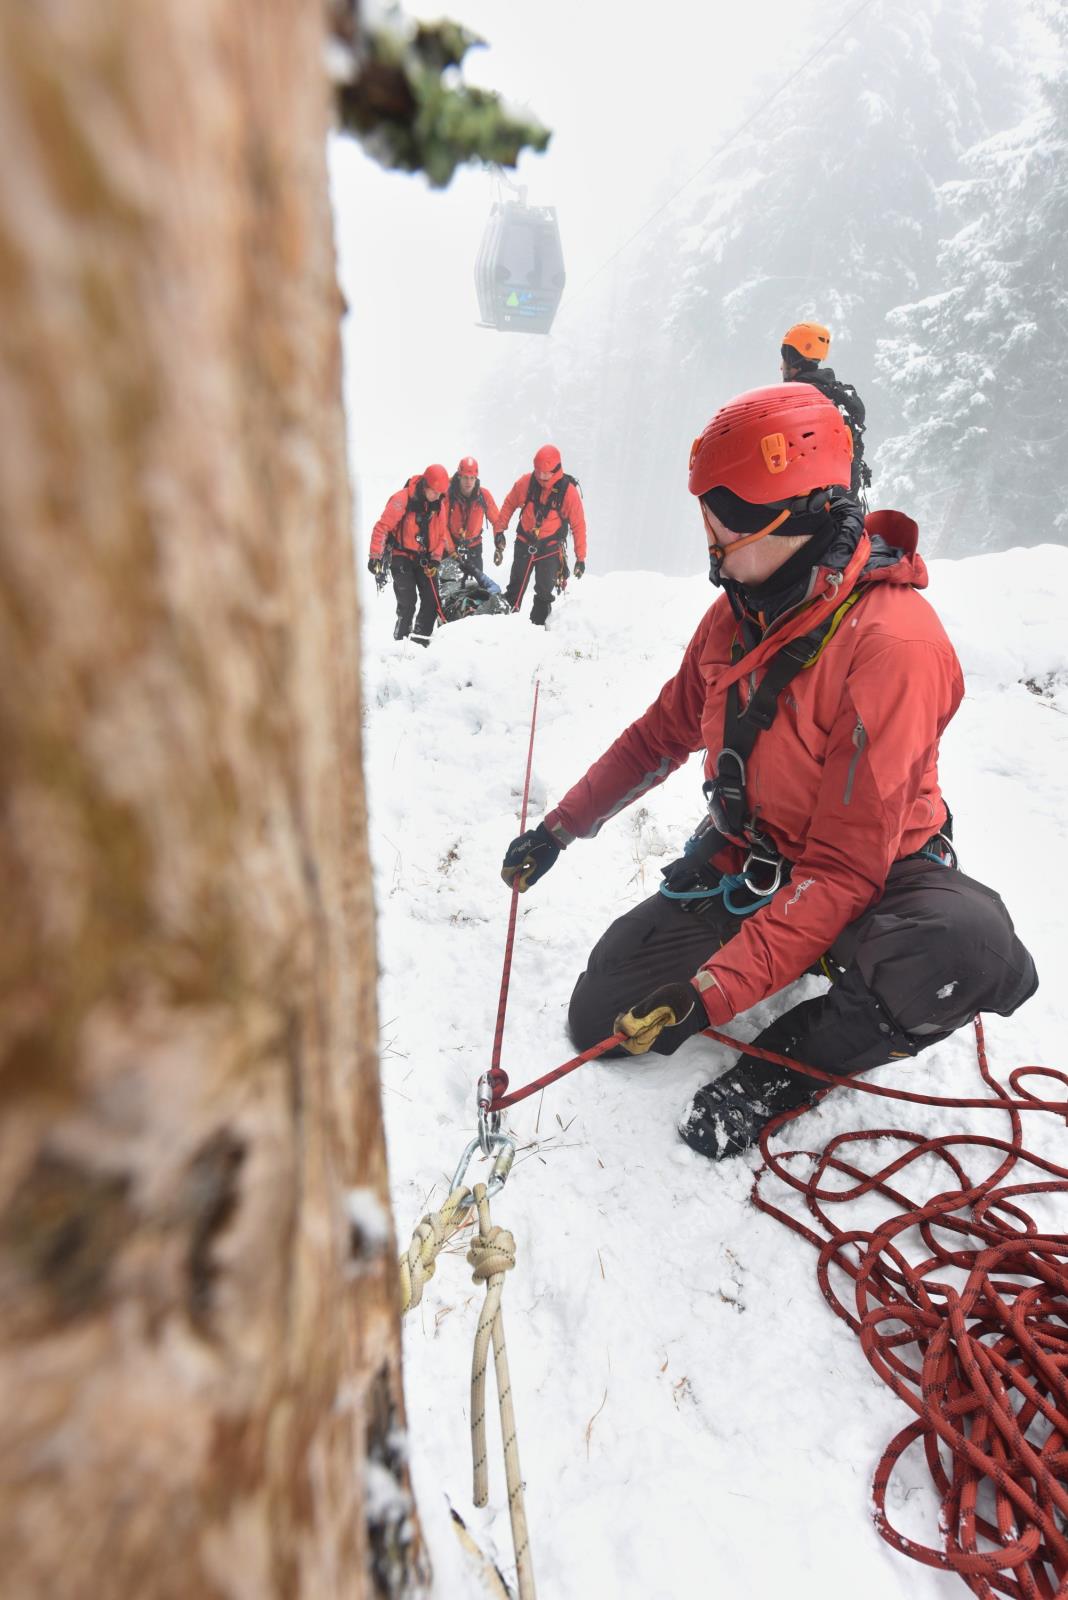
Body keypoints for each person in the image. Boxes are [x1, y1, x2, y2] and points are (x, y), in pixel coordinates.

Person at [500, 385, 1037, 1160]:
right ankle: (788, 944)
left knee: (964, 946)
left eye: (721, 524)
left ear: (790, 520)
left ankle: (788, 1067)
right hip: (756, 856)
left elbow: (848, 869)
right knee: (606, 1022)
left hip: (874, 873)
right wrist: (558, 830)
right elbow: (660, 734)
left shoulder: (893, 647)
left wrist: (710, 994)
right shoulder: (737, 614)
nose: (710, 544)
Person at [493, 444, 587, 626]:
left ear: (556, 470)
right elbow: (509, 503)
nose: (541, 477)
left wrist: (580, 558)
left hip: (550, 549)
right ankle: (504, 628)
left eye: (546, 473)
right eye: (538, 472)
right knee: (515, 588)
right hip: (524, 542)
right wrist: (499, 531)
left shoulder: (569, 493)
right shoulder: (527, 482)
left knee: (544, 593)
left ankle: (537, 632)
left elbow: (578, 525)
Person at [781, 322, 871, 496]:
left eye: (785, 355)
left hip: (811, 503)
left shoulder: (797, 396)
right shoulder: (839, 393)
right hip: (846, 499)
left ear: (792, 358)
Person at [368, 464, 449, 646]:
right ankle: (400, 643)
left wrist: (436, 560)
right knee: (408, 603)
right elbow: (382, 527)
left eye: (441, 493)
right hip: (401, 556)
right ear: (425, 486)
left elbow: (441, 535)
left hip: (425, 559)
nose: (438, 496)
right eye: (435, 492)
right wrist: (375, 556)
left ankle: (419, 643)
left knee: (431, 600)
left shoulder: (439, 506)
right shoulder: (401, 499)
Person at [446, 456, 500, 579]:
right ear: (459, 477)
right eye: (465, 477)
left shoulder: (484, 496)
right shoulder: (448, 495)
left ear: (476, 478)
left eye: (472, 478)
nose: (468, 482)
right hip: (451, 545)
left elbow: (497, 521)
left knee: (477, 587)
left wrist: (499, 544)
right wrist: (451, 551)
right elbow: (441, 525)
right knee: (448, 587)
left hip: (474, 547)